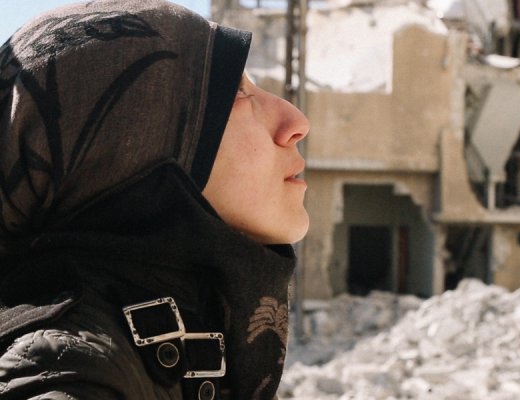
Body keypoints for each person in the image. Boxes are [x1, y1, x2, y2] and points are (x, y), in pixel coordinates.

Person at [0, 0, 309, 398]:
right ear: (124, 145)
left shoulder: (165, 336)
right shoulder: (71, 377)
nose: (296, 122)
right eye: (234, 91)